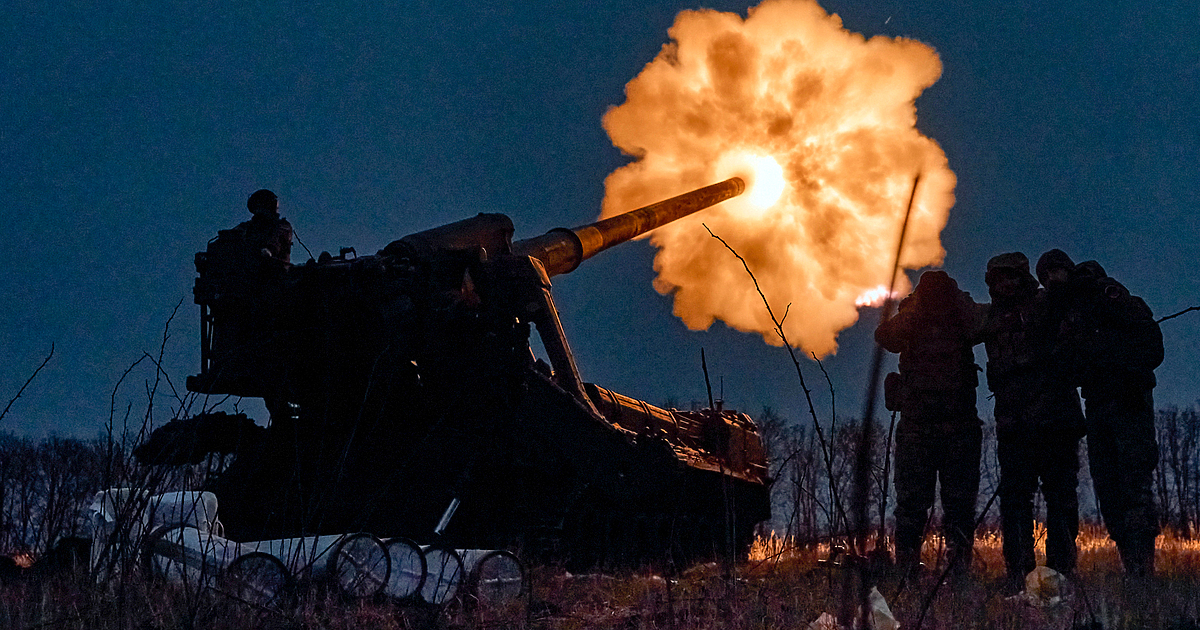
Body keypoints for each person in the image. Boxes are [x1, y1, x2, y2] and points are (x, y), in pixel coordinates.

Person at [1046, 252, 1163, 576]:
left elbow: (1152, 349)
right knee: (1111, 491)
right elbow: (1068, 366)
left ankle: (1141, 571)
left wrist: (1114, 362)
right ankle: (1136, 567)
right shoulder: (1071, 316)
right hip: (1099, 408)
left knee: (1132, 488)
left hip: (1128, 404)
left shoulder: (1113, 300)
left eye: (1055, 275)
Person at [982, 252, 1085, 593]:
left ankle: (1061, 571)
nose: (1005, 284)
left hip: (1054, 422)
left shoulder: (1047, 305)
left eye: (1011, 277)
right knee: (1014, 500)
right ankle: (1018, 573)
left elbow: (1070, 348)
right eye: (998, 279)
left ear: (1023, 277)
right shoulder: (991, 317)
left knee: (1061, 498)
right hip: (1013, 427)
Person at [876, 270, 985, 578]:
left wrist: (956, 301)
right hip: (919, 428)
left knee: (959, 506)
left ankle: (957, 569)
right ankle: (908, 569)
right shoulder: (912, 317)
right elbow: (887, 337)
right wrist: (914, 308)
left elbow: (980, 325)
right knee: (911, 505)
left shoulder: (961, 316)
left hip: (957, 427)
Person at [236, 189, 293, 264]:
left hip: (275, 269)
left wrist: (268, 251)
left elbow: (277, 240)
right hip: (247, 267)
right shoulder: (246, 227)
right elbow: (231, 236)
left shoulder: (282, 226)